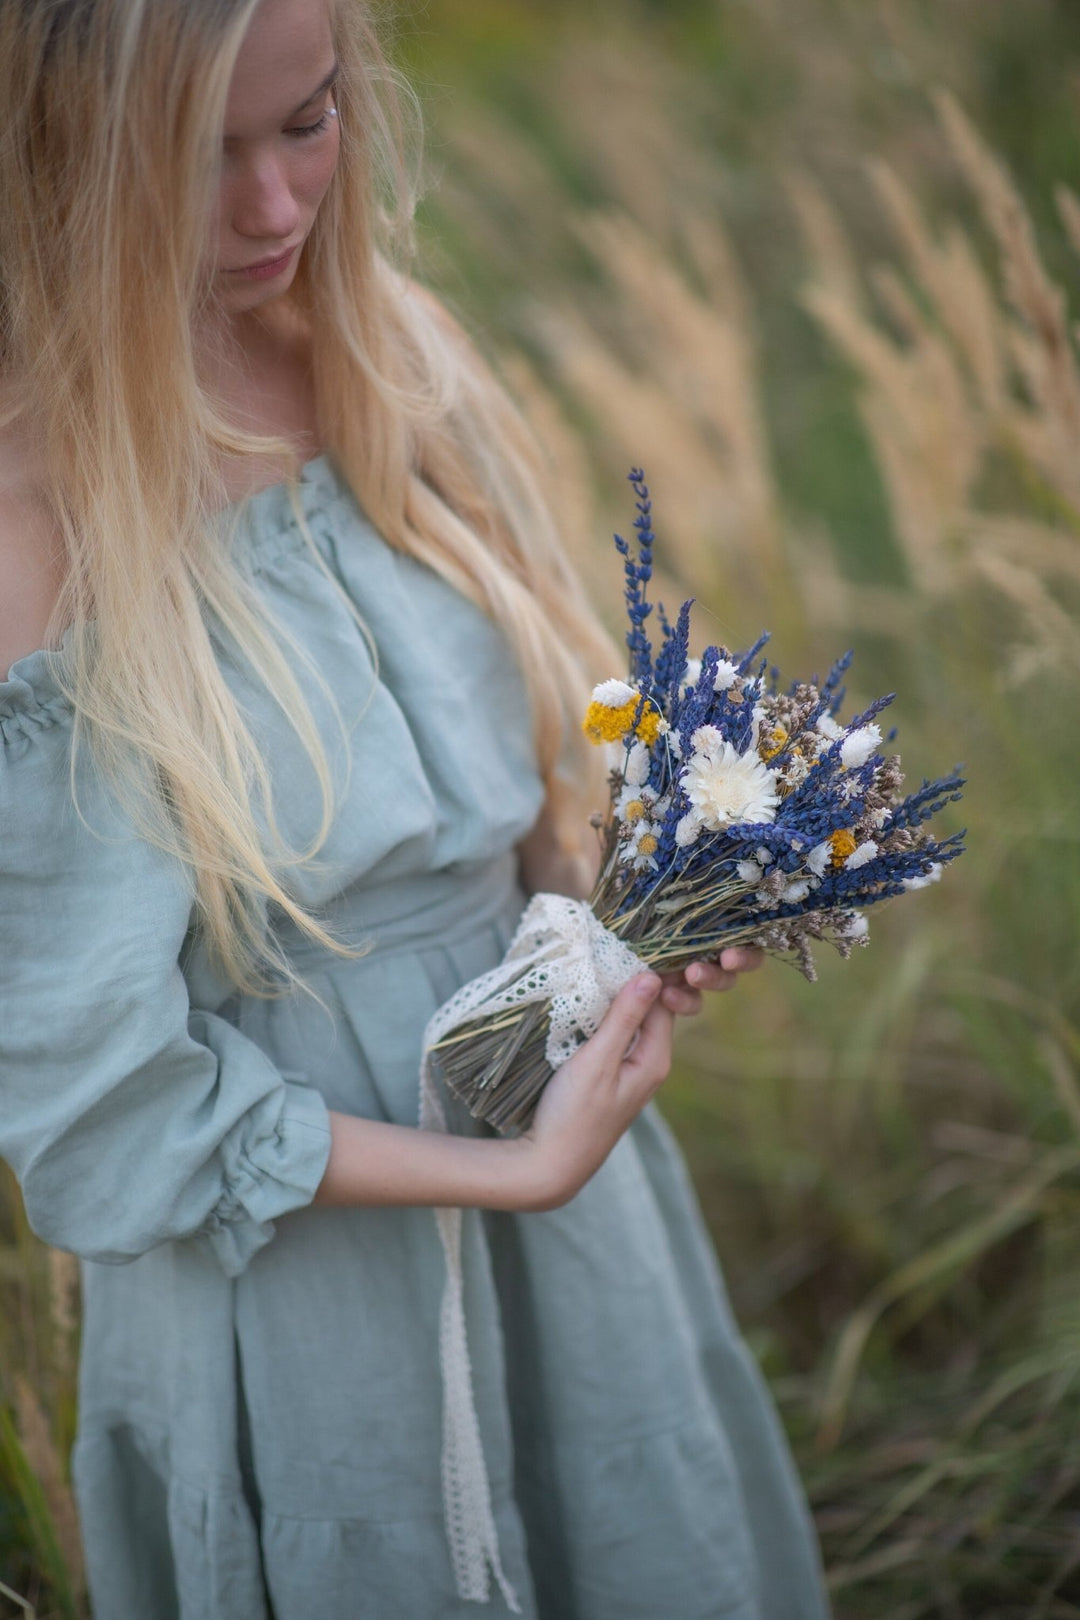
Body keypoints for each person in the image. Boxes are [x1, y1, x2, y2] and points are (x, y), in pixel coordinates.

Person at [0, 0, 831, 1615]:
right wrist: (505, 1174)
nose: (273, 207)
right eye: (196, 157)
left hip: (578, 1220)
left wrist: (638, 915)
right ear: (55, 154)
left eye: (308, 121)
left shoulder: (389, 349)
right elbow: (102, 1115)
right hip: (313, 1295)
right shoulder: (36, 518)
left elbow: (521, 792)